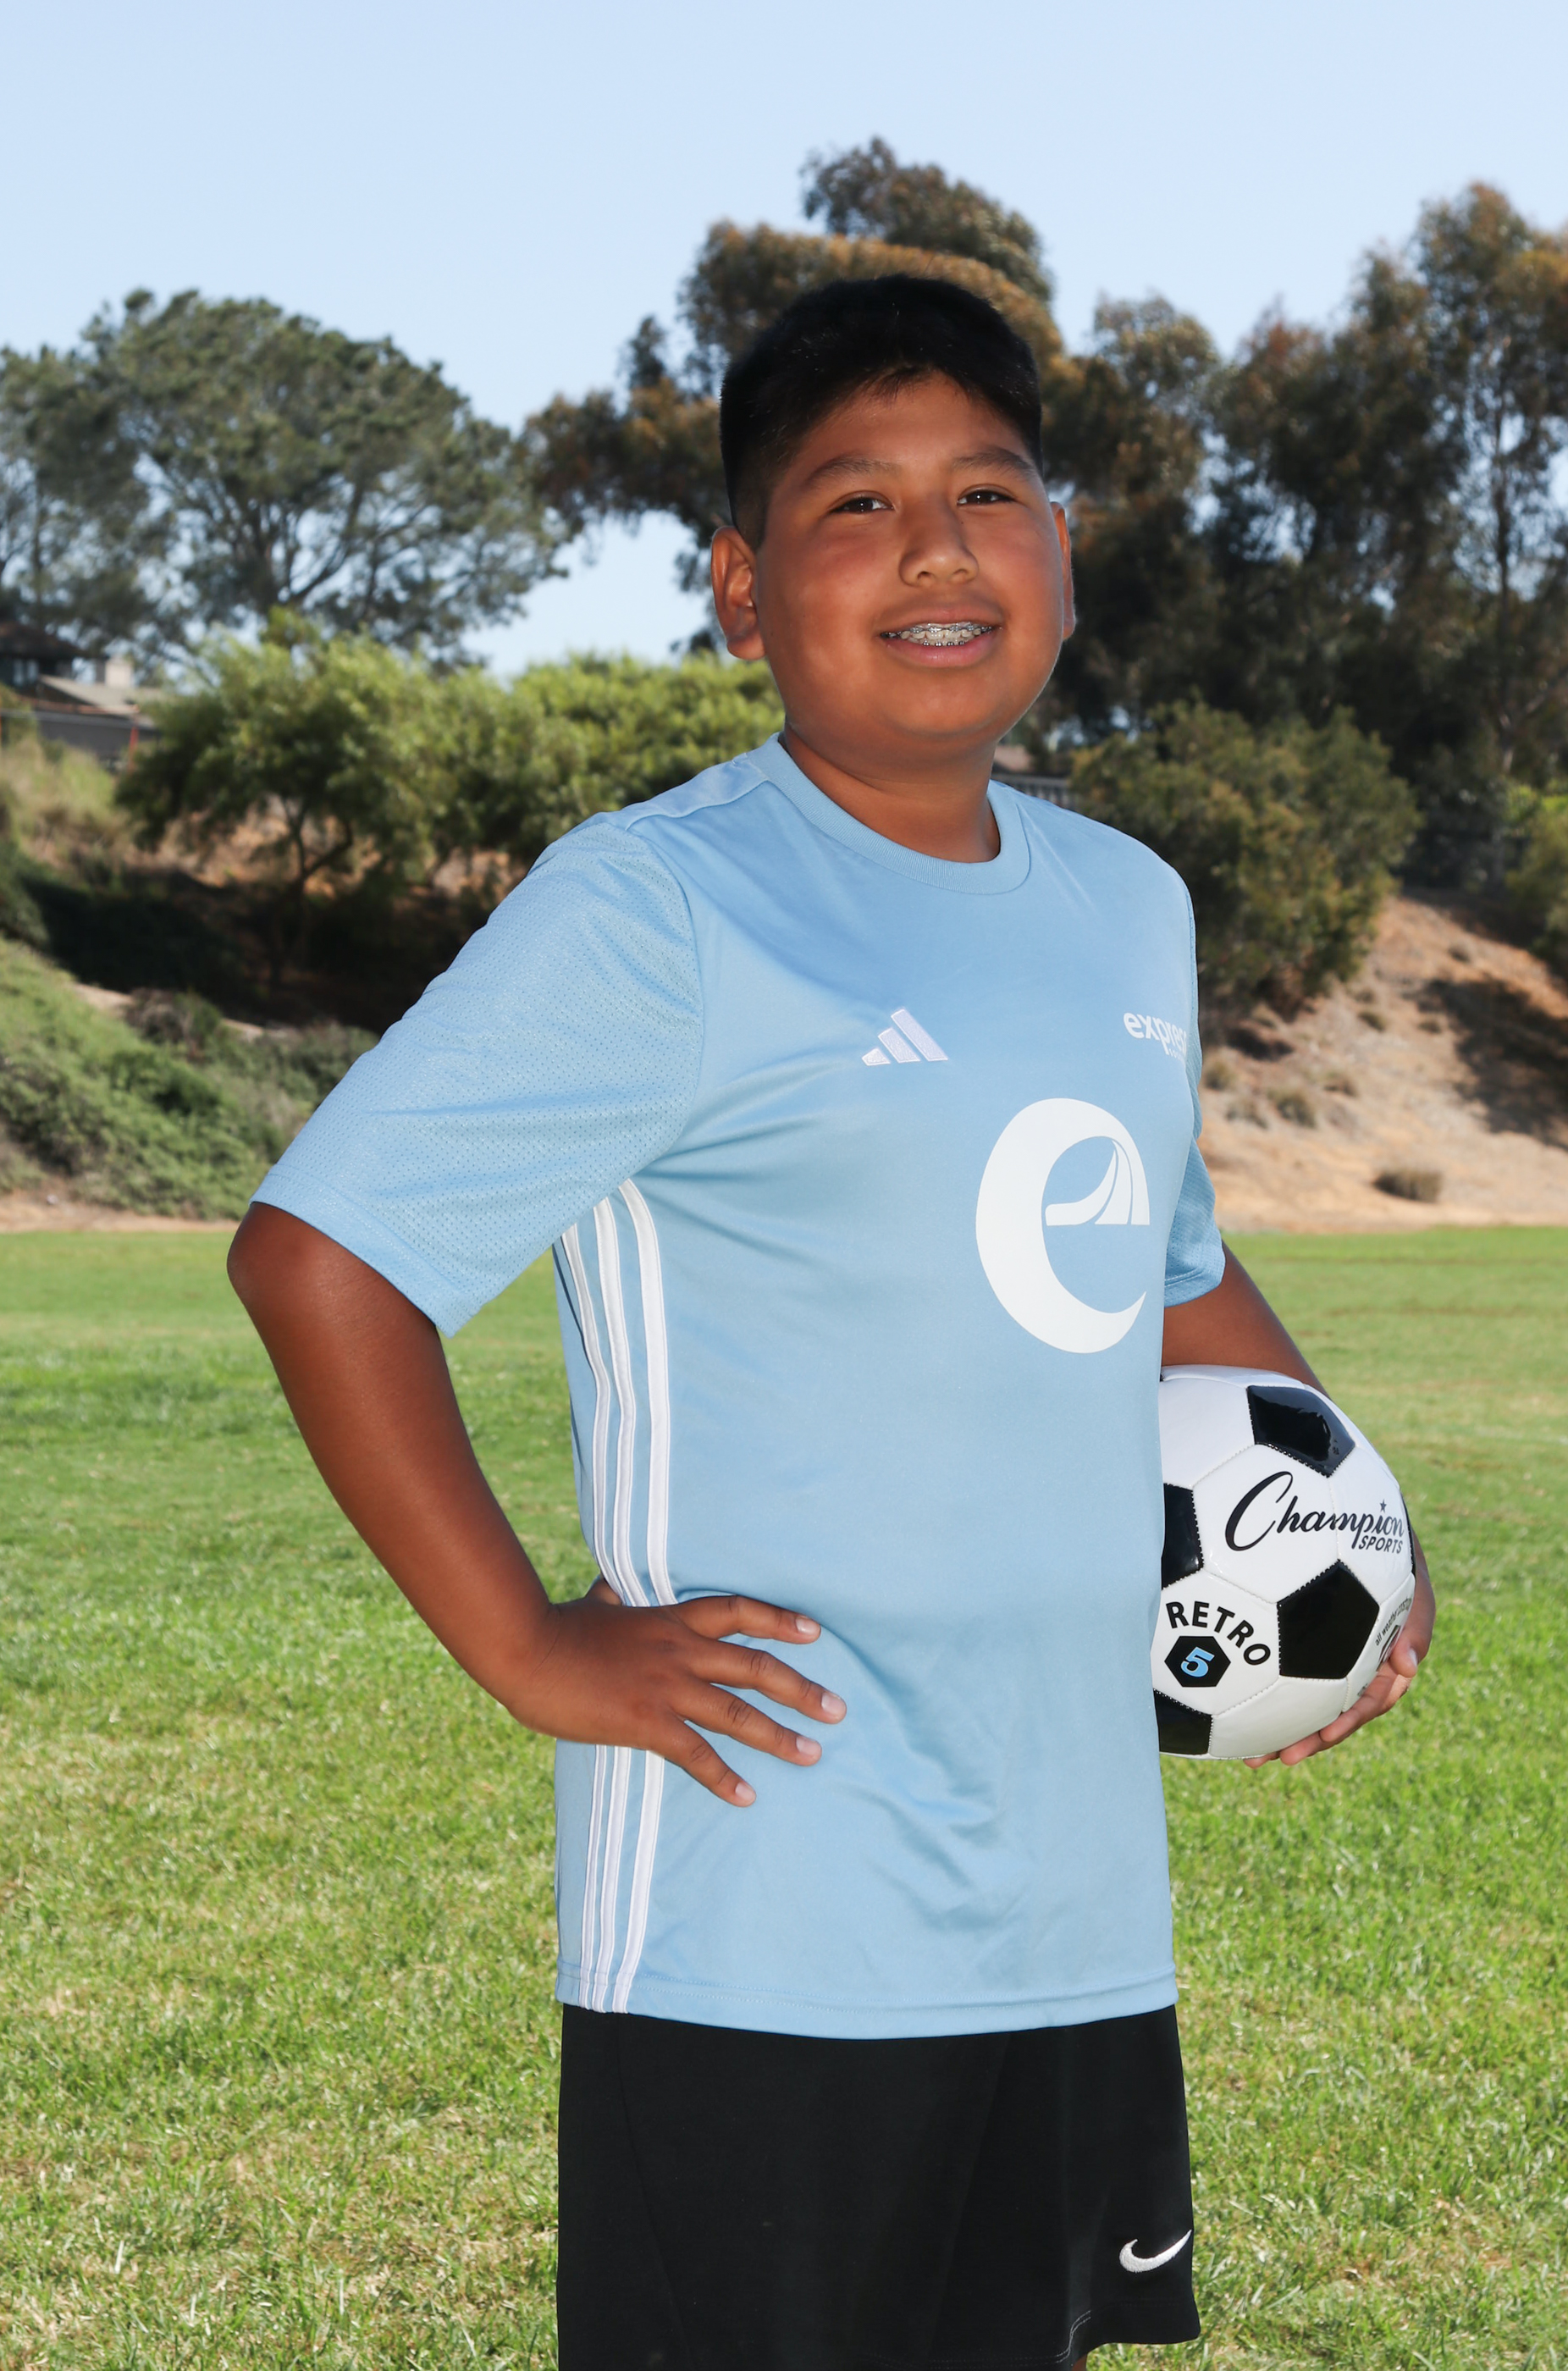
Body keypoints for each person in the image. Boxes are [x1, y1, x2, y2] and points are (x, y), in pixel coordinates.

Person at [229, 274, 1435, 2371]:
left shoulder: (1123, 904)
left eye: (989, 491)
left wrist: (1349, 1526)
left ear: (1063, 551)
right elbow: (322, 1260)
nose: (937, 549)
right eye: (855, 504)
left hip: (1070, 1898)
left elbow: (1162, 1271)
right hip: (764, 1906)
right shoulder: (661, 906)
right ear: (740, 590)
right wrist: (528, 1644)